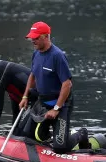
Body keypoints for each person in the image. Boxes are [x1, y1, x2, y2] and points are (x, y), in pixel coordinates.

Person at [19, 21, 78, 152]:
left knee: (59, 147)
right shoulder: (36, 53)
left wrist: (57, 108)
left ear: (46, 36)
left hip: (61, 104)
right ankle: (49, 137)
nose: (33, 41)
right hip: (43, 103)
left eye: (36, 38)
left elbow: (67, 84)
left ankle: (80, 134)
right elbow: (32, 75)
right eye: (31, 38)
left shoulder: (57, 56)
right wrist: (25, 96)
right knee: (26, 135)